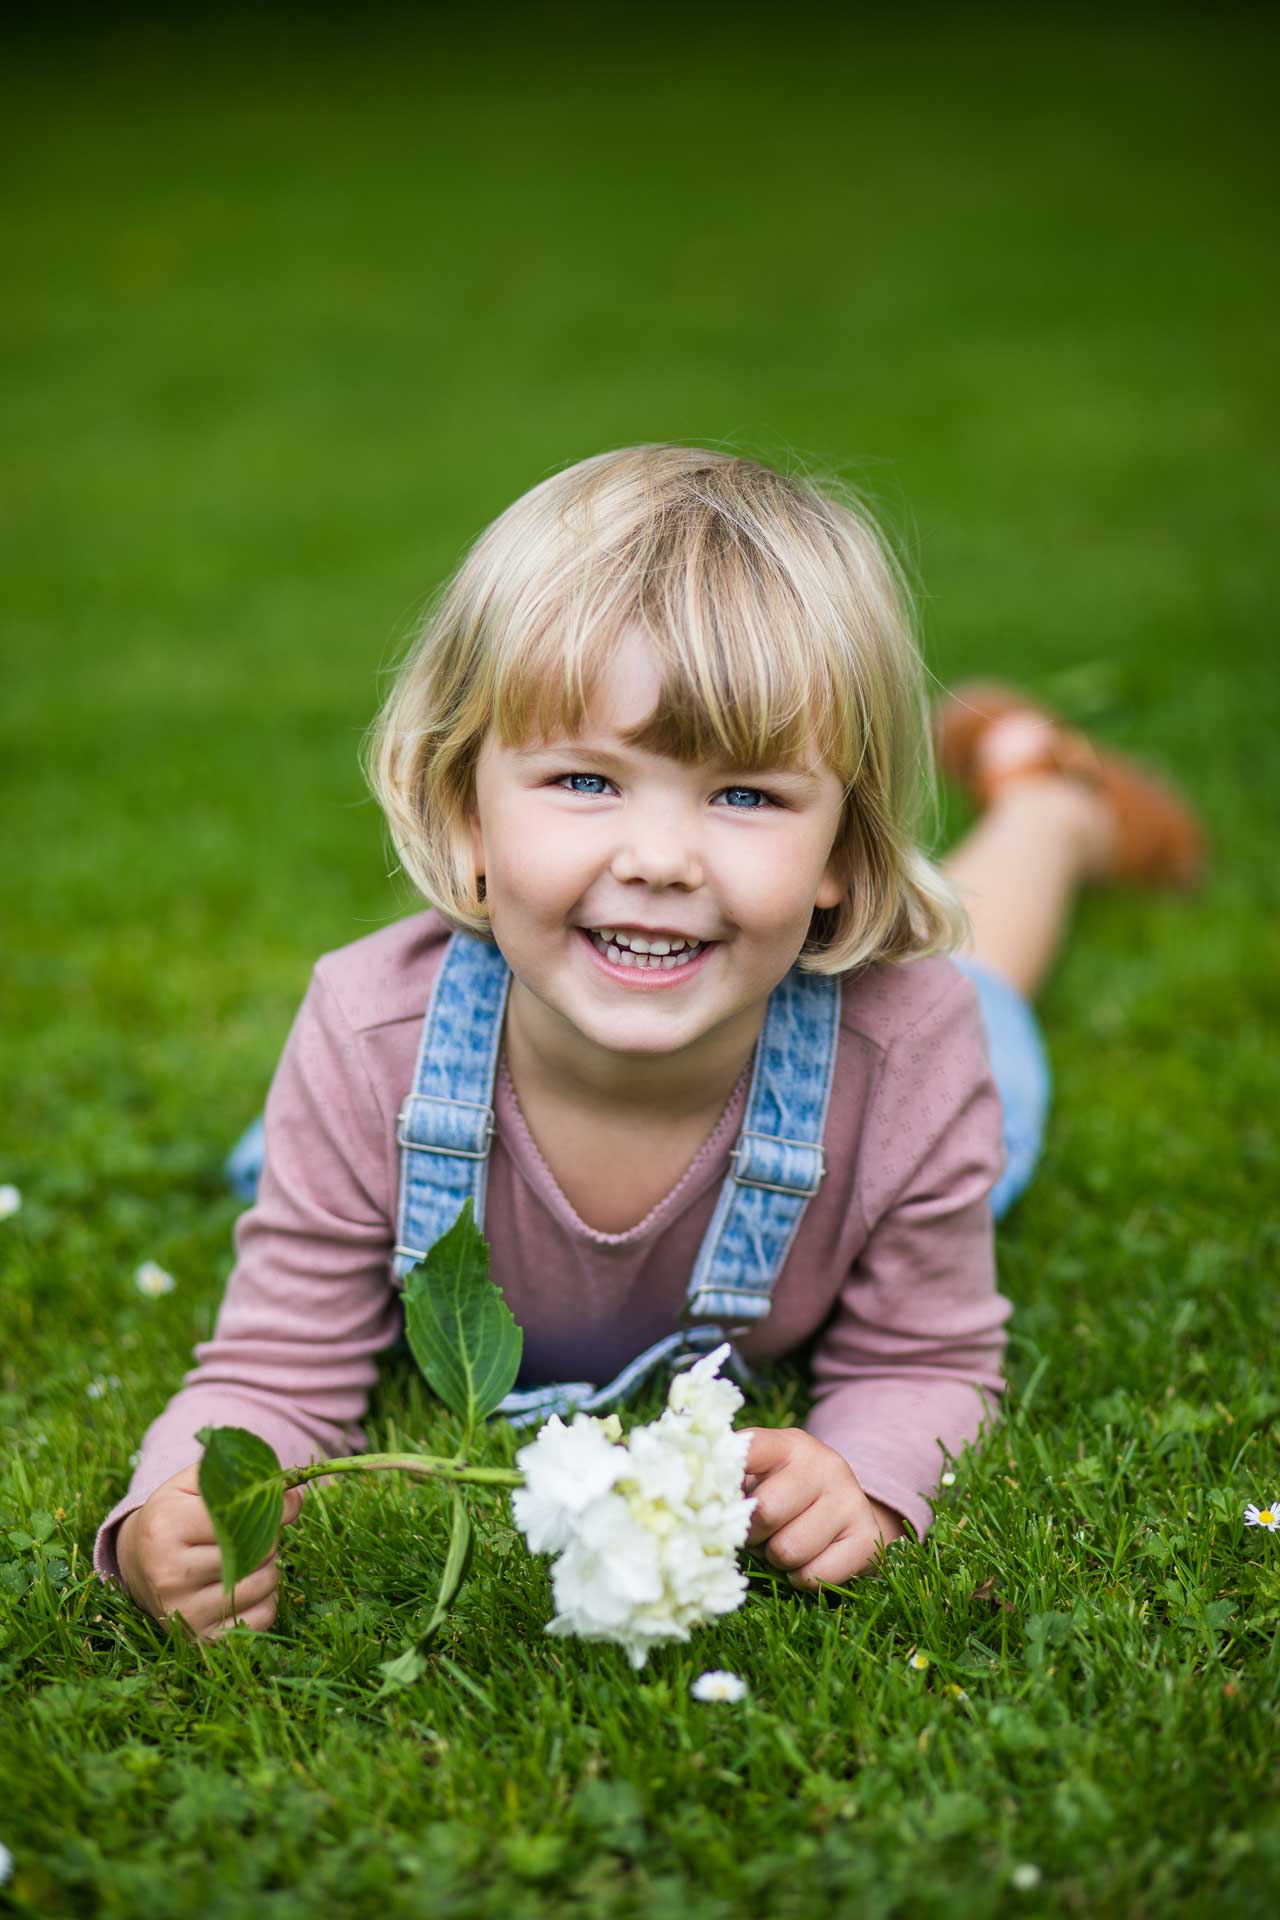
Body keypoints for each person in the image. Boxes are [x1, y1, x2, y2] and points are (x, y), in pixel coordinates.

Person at [94, 446, 1204, 1642]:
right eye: (584, 779)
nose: (660, 858)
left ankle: (1046, 801)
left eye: (745, 798)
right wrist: (177, 1508)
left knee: (982, 978)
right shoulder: (371, 1039)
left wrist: (868, 1476)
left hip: (884, 1026)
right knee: (316, 1148)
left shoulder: (910, 1063)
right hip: (428, 1072)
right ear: (465, 810)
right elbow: (273, 1369)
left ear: (843, 850)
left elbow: (926, 1360)